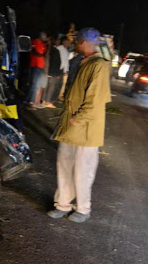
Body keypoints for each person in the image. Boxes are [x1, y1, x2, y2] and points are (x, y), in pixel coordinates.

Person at [47, 28, 111, 223]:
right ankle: (63, 204)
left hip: (86, 128)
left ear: (84, 41)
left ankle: (83, 208)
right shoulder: (80, 61)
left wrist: (77, 120)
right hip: (71, 124)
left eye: (77, 41)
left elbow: (95, 100)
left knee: (83, 170)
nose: (74, 44)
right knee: (64, 165)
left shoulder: (99, 66)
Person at [25, 31, 48, 109]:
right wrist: (42, 55)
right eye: (44, 36)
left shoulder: (43, 45)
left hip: (40, 67)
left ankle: (27, 100)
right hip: (35, 66)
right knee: (34, 85)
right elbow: (34, 53)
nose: (45, 37)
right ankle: (30, 102)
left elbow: (45, 54)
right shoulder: (34, 42)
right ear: (40, 35)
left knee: (35, 85)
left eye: (45, 36)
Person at [42, 36, 62, 108]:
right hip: (53, 72)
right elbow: (57, 62)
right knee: (51, 88)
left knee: (45, 87)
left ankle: (43, 101)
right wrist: (57, 73)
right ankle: (48, 102)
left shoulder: (47, 49)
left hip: (46, 71)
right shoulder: (56, 51)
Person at [56, 36, 71, 100]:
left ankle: (60, 96)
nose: (69, 43)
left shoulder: (66, 50)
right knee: (58, 84)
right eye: (68, 42)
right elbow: (60, 60)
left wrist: (66, 70)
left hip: (64, 70)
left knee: (62, 84)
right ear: (64, 42)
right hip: (60, 69)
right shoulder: (59, 49)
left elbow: (66, 60)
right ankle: (56, 96)